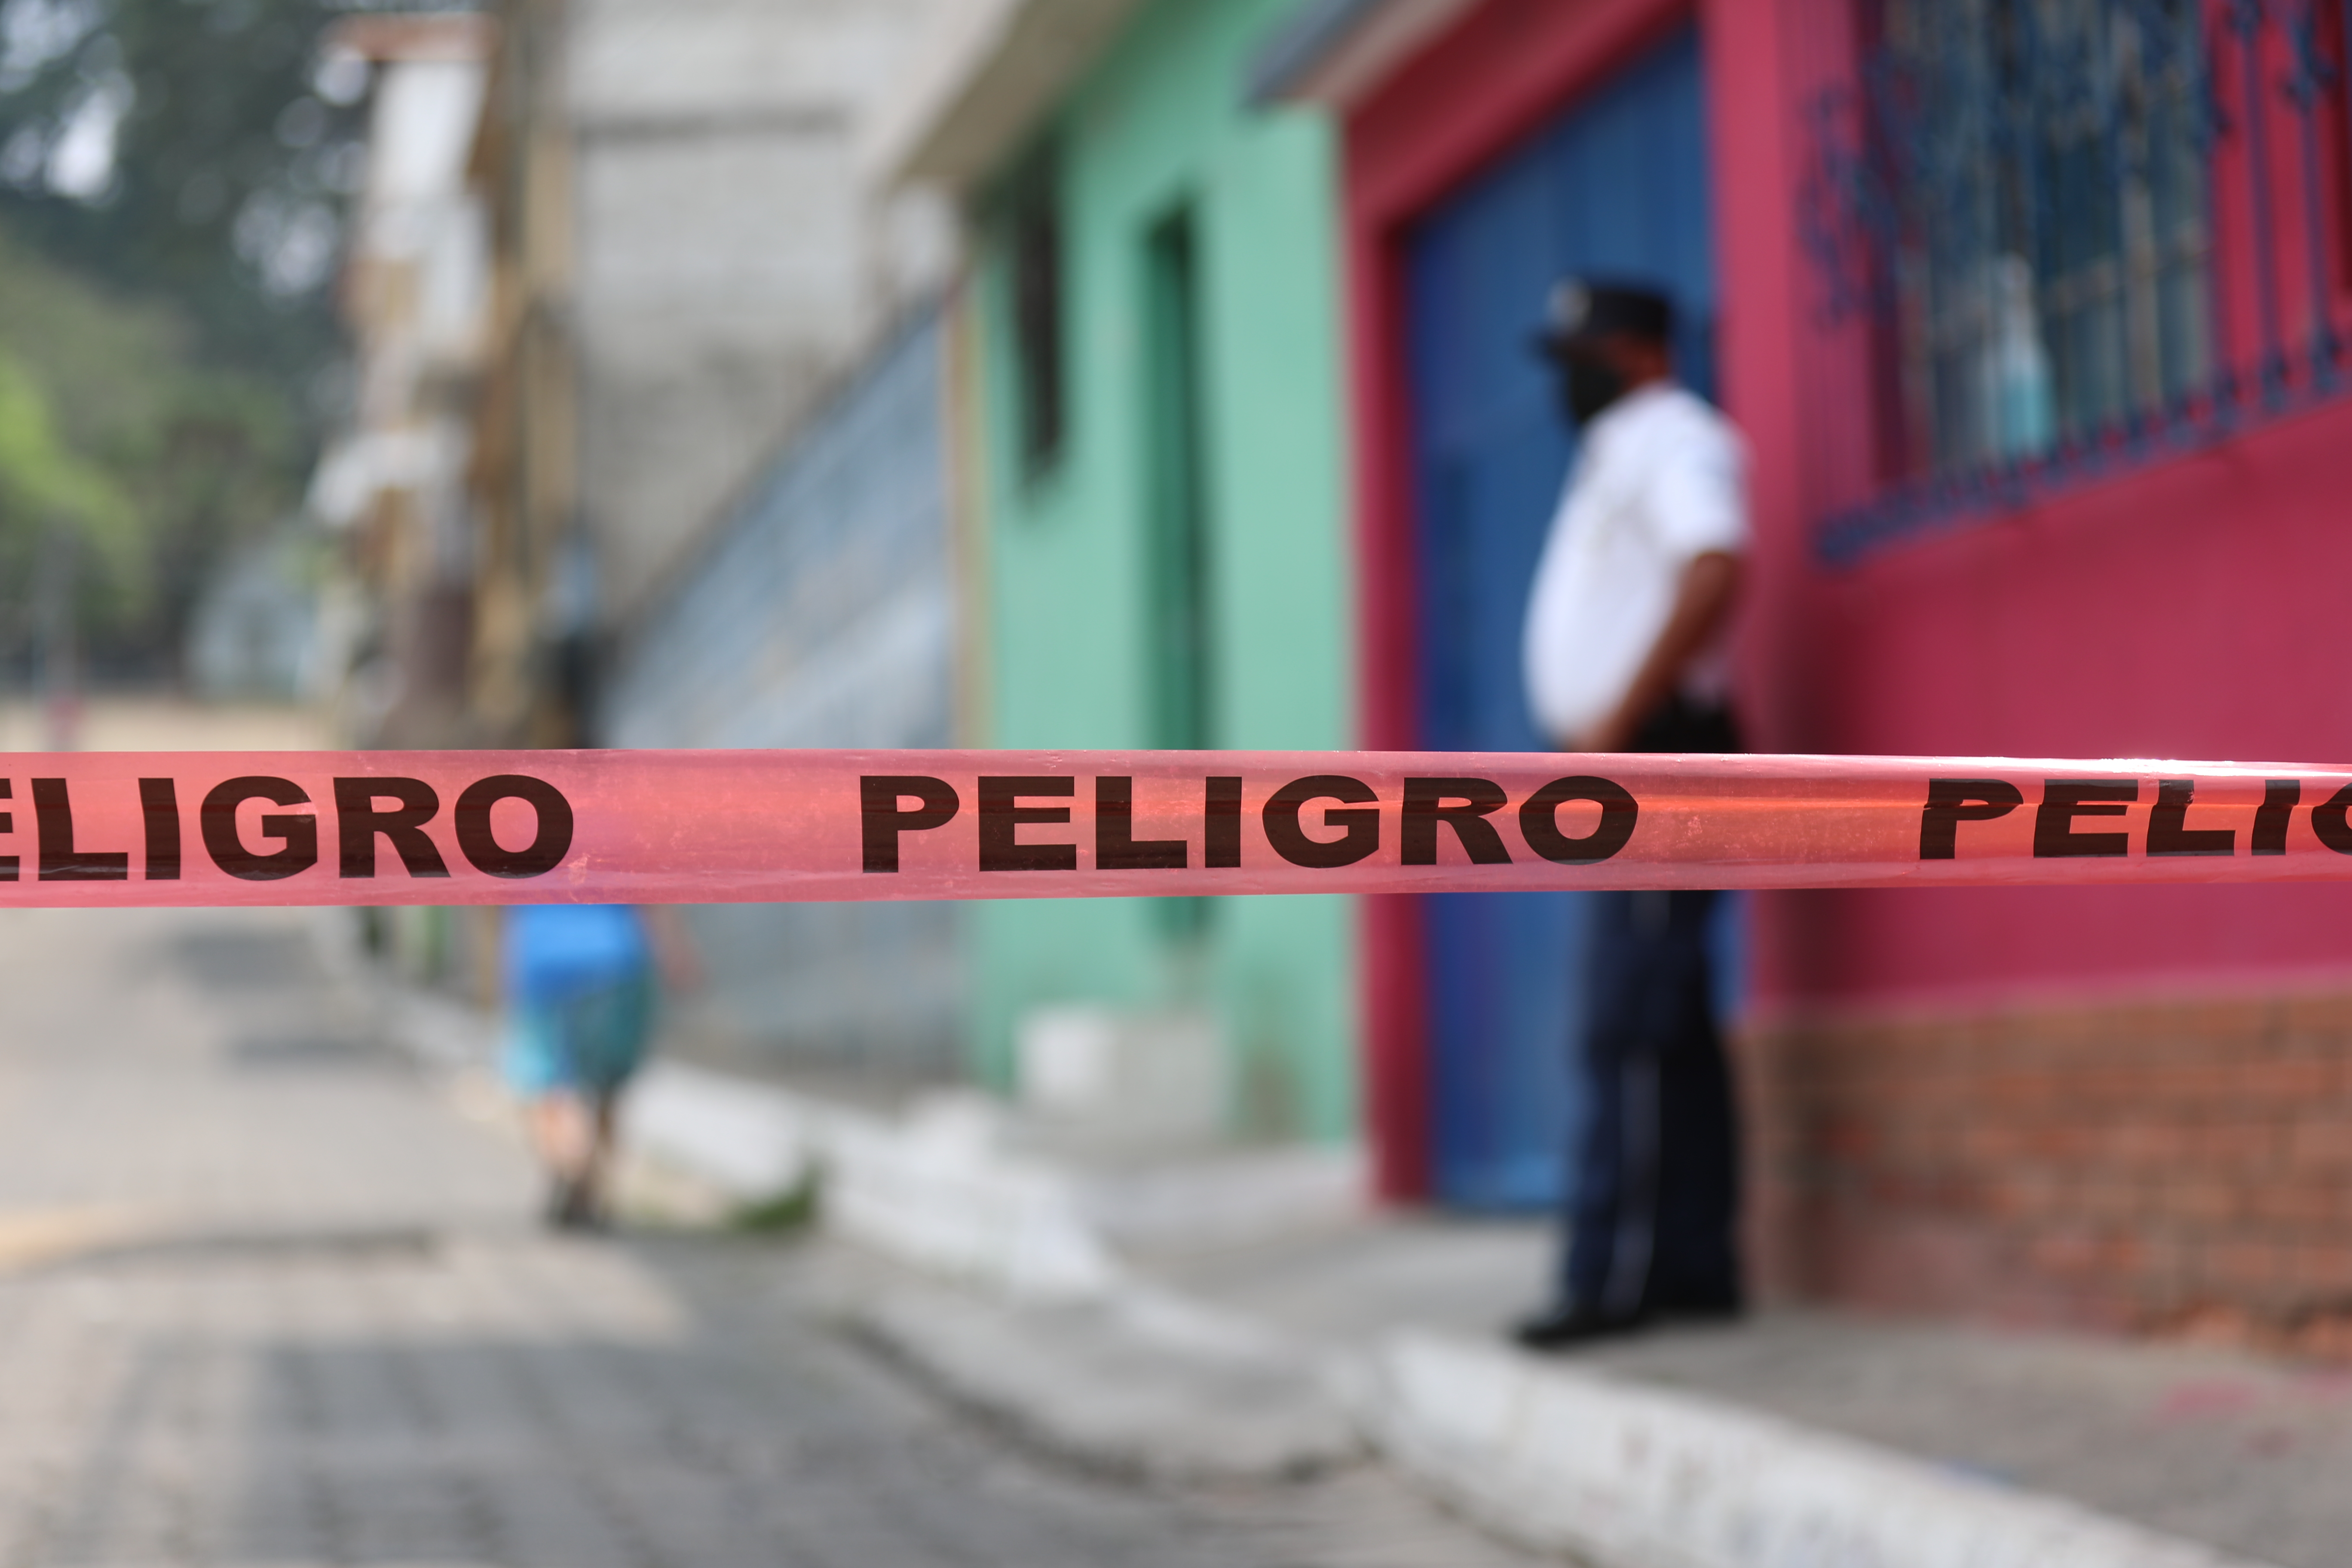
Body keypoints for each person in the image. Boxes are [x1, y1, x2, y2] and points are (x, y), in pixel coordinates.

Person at [1513, 278, 1749, 1348]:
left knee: (1630, 1025)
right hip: (1622, 763)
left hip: (1655, 761)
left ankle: (1614, 1276)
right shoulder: (1614, 450)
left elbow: (1715, 563)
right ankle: (1693, 1262)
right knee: (1669, 1017)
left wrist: (1617, 716)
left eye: (1586, 350)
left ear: (1642, 351)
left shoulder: (1675, 436)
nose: (1570, 372)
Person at [500, 903, 695, 1230]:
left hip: (544, 960)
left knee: (547, 1083)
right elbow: (651, 903)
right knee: (608, 1086)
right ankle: (598, 1187)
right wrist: (676, 952)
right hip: (616, 959)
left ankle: (573, 1164)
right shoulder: (623, 848)